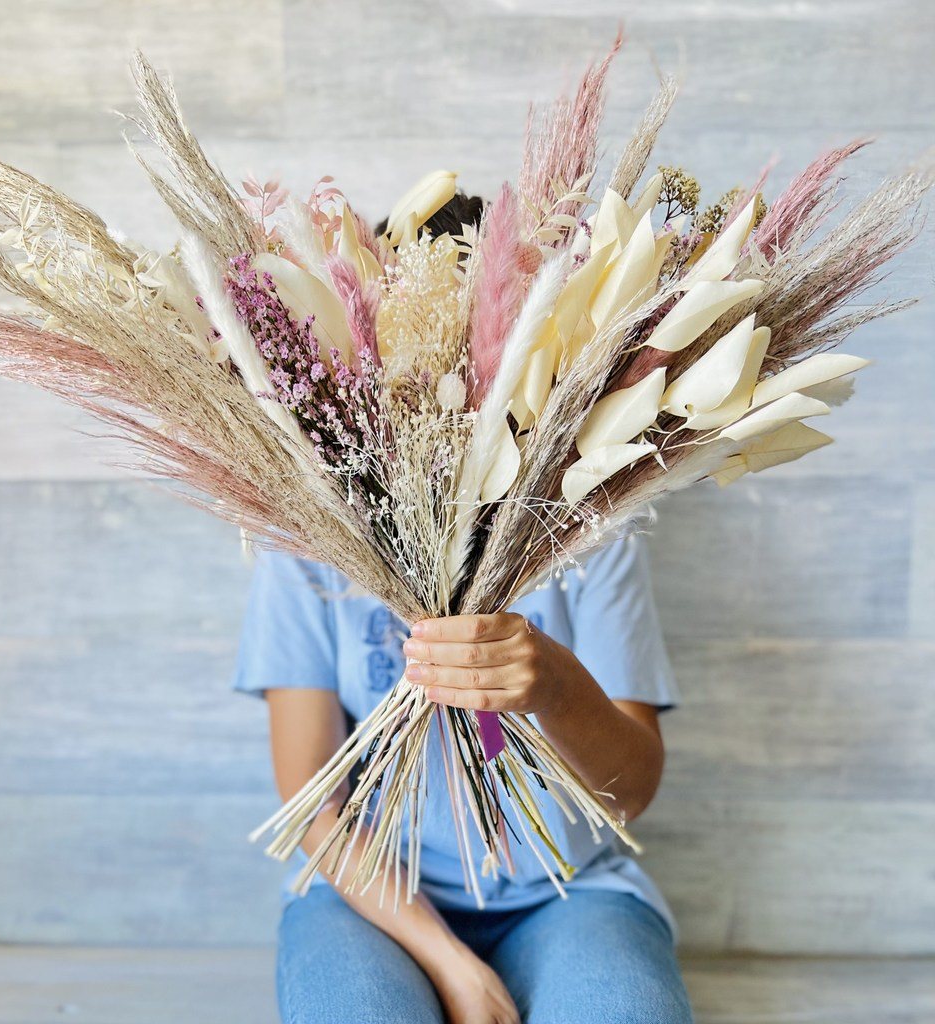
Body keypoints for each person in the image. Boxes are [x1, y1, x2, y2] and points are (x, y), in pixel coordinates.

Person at [232, 196, 694, 1024]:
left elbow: (632, 792)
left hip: (570, 890)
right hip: (371, 893)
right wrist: (448, 962)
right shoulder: (306, 547)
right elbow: (313, 804)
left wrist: (552, 684)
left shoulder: (592, 533)